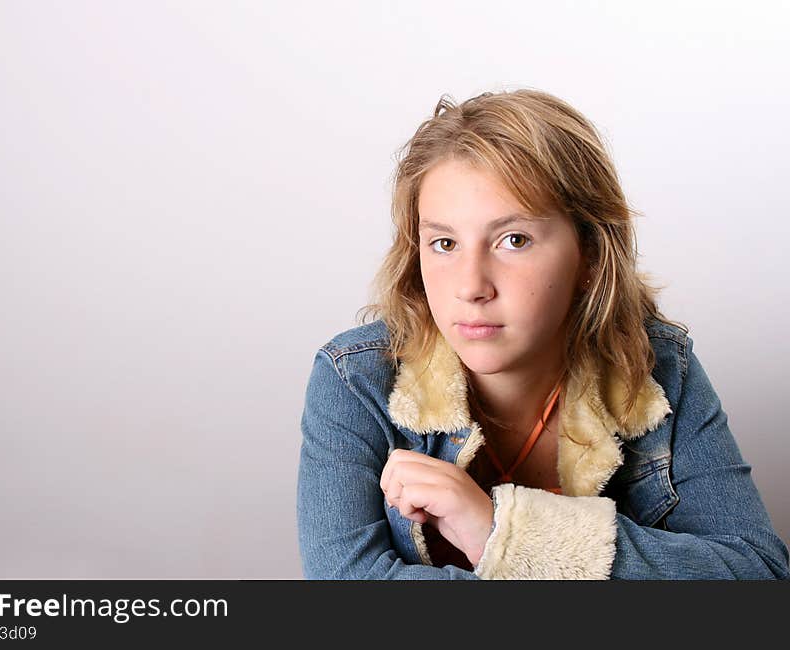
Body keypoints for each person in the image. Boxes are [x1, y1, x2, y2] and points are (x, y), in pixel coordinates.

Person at [296, 88, 790, 579]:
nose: (471, 287)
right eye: (444, 243)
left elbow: (761, 578)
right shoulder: (355, 380)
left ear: (590, 254)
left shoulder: (657, 365)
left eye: (514, 240)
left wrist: (501, 531)